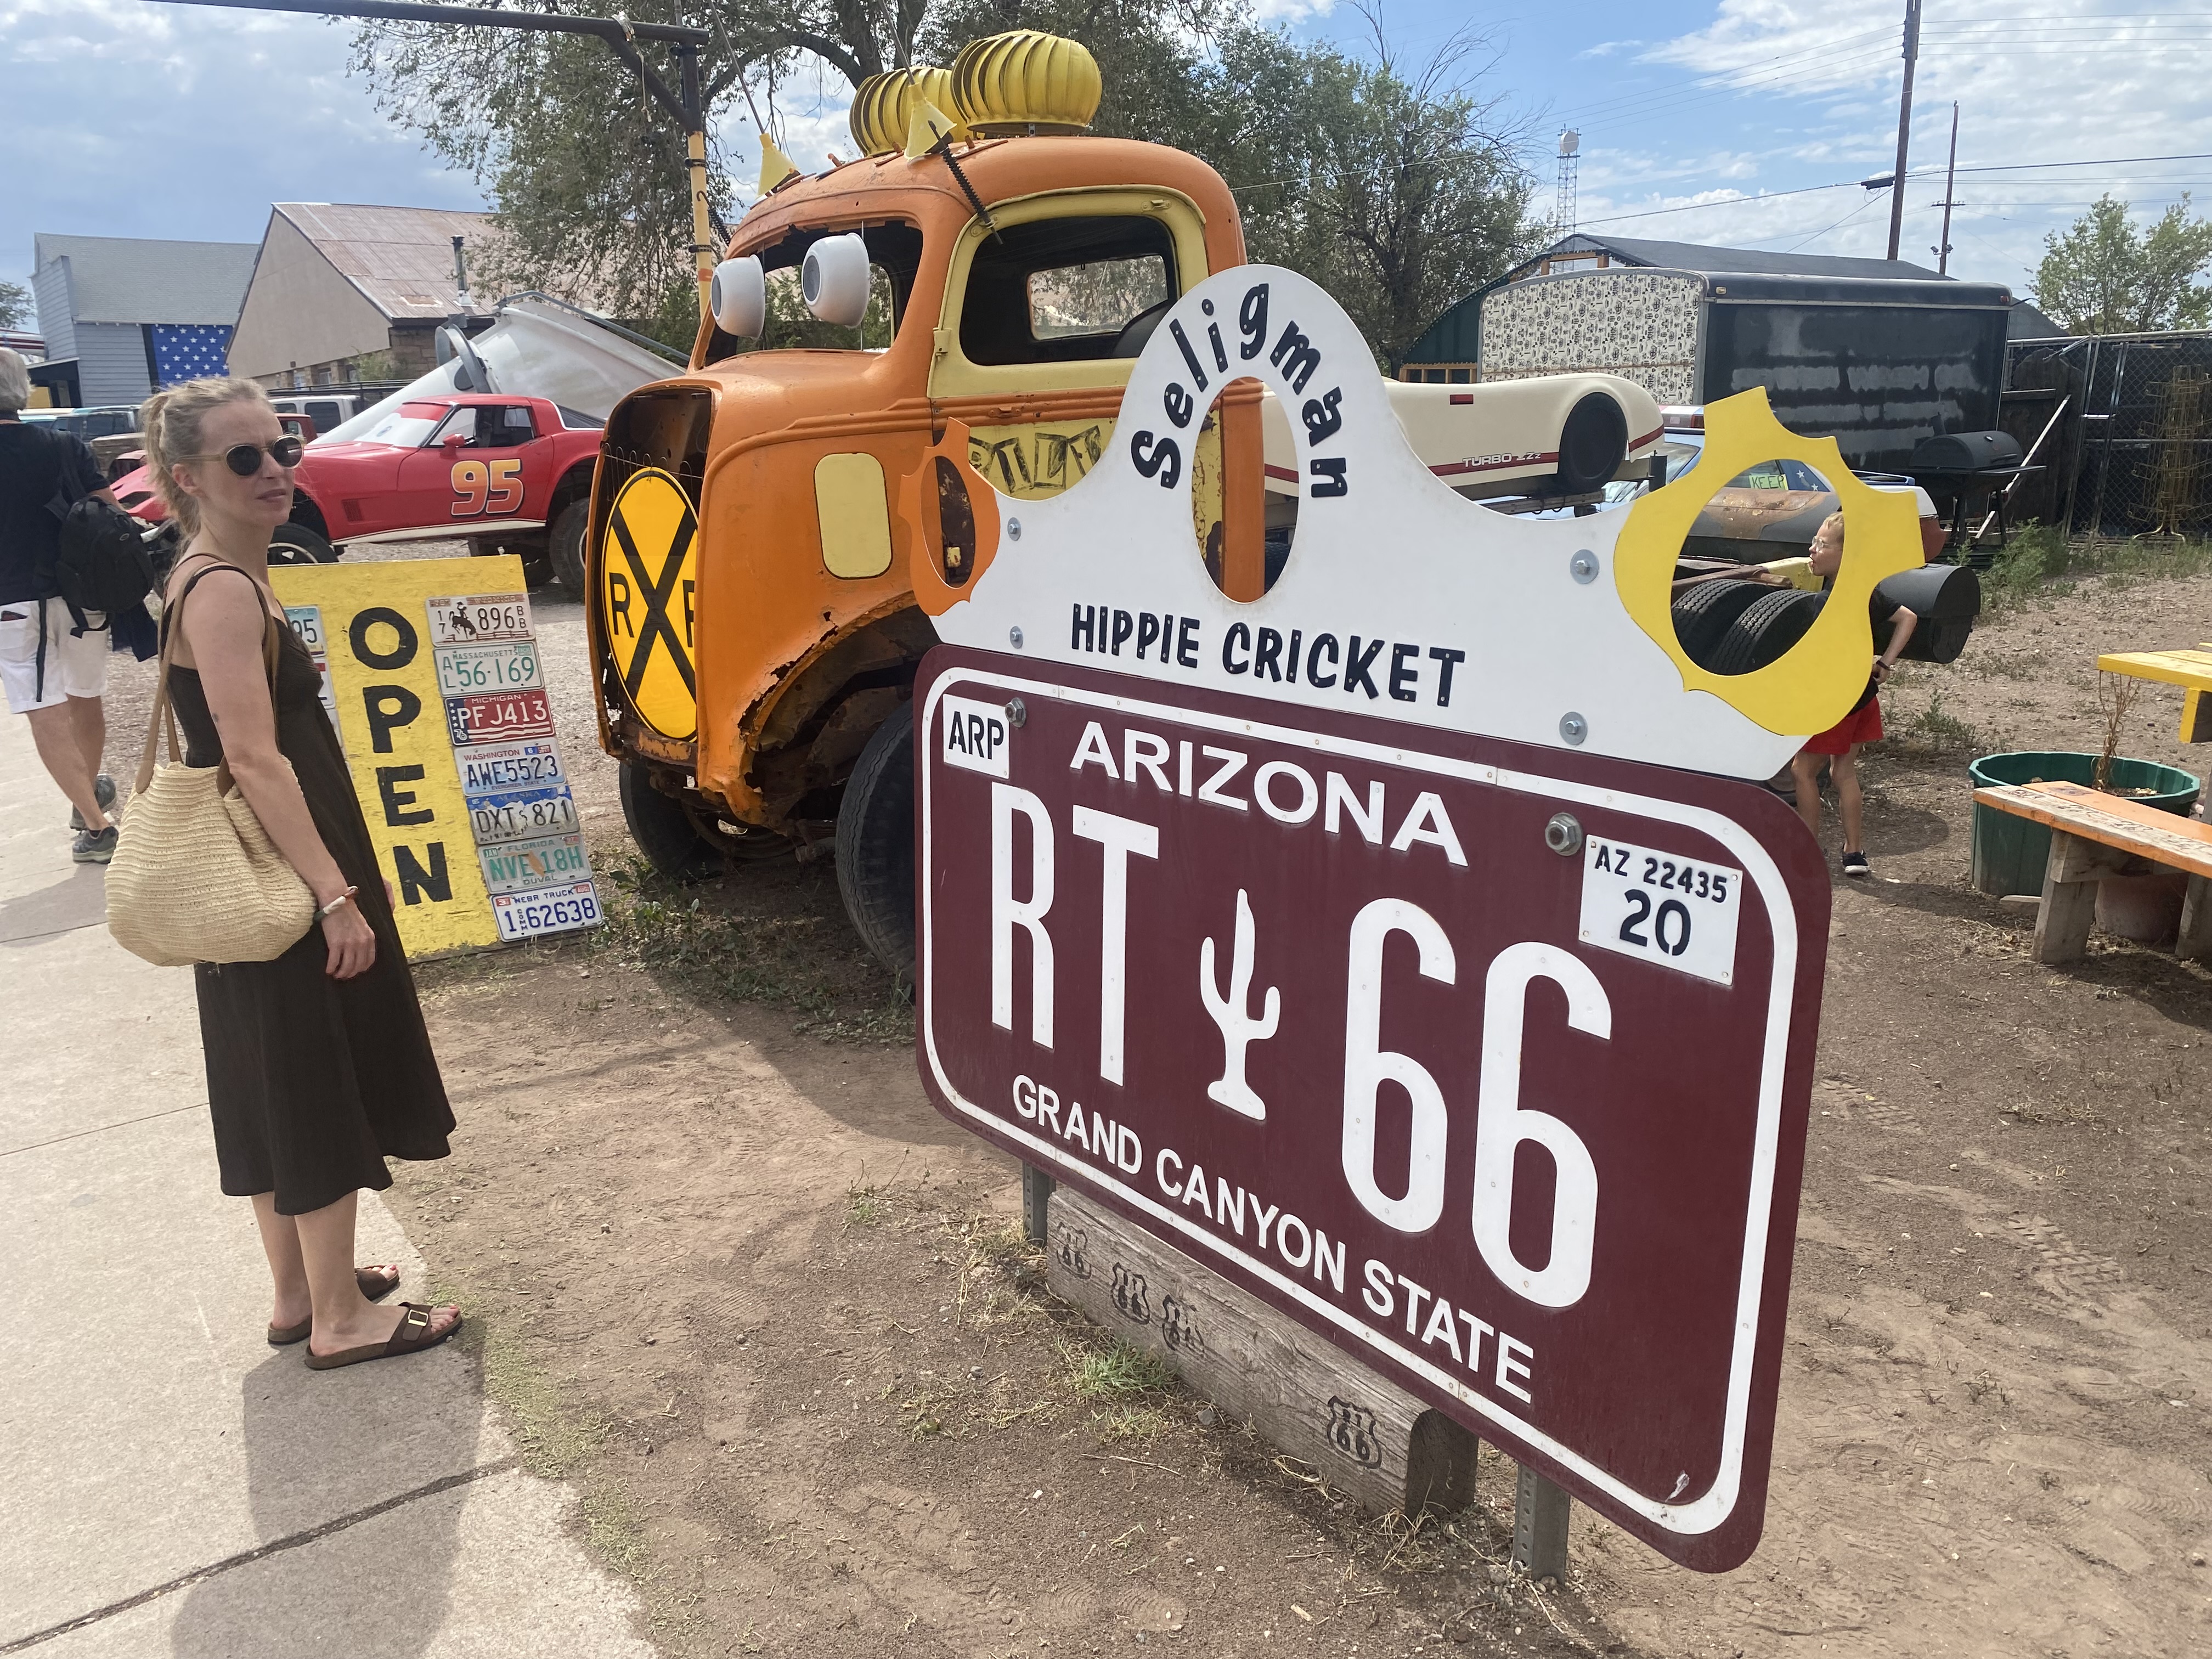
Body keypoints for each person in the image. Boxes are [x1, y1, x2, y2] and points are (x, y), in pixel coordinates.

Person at [145, 375, 461, 1369]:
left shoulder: (209, 571)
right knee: (316, 1068)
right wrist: (334, 895)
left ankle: (297, 1292)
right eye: (244, 458)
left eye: (283, 445)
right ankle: (341, 1316)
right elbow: (253, 756)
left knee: (269, 1072)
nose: (275, 469)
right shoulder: (228, 588)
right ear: (189, 476)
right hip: (282, 867)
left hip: (249, 871)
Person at [0, 347, 119, 861]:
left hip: (14, 600)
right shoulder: (64, 445)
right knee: (84, 696)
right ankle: (86, 796)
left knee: (43, 711)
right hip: (83, 594)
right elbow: (108, 511)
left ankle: (97, 828)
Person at [1792, 511, 1917, 878]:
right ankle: (1854, 853)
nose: (1812, 550)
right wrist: (1886, 663)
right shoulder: (1865, 589)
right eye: (1814, 542)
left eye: (1823, 545)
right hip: (1864, 696)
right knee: (1843, 770)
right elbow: (1908, 618)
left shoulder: (1833, 600)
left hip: (1838, 699)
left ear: (1849, 554)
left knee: (1802, 771)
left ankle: (1807, 851)